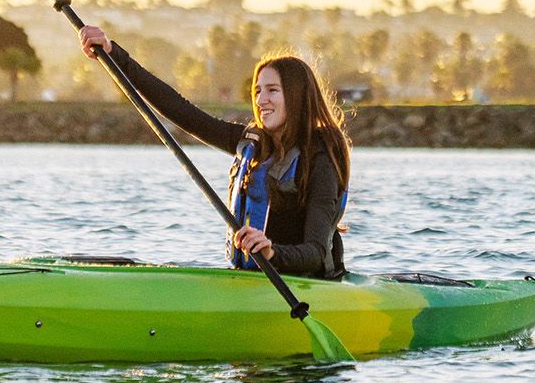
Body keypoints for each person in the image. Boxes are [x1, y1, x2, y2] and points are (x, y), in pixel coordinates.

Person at [77, 27, 350, 278]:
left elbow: (316, 252)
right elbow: (179, 109)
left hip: (309, 285)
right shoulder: (253, 144)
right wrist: (112, 54)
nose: (260, 100)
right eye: (257, 91)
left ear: (297, 96)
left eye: (272, 91)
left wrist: (271, 253)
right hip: (256, 280)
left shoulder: (322, 157)